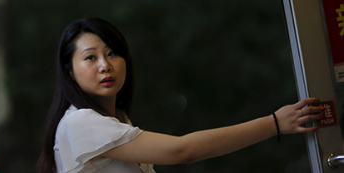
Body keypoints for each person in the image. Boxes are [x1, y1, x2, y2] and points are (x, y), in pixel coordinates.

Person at [36, 17, 323, 173]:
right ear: (70, 71)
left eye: (112, 53)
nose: (105, 65)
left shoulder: (116, 121)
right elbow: (183, 151)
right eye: (90, 58)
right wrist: (273, 123)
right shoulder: (80, 122)